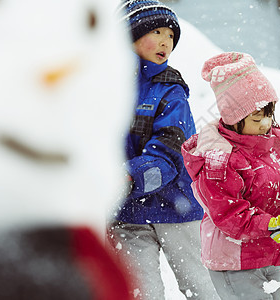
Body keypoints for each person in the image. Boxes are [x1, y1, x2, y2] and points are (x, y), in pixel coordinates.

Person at [181, 52, 280, 300]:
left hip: (270, 249)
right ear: (233, 118)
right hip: (234, 259)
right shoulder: (219, 157)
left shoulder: (276, 141)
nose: (265, 123)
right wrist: (273, 225)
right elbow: (229, 214)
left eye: (269, 114)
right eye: (257, 118)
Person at [108, 1, 219, 299]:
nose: (165, 42)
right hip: (127, 214)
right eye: (156, 32)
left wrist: (129, 177)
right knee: (139, 291)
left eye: (170, 36)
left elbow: (171, 150)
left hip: (176, 207)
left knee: (201, 287)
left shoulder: (170, 90)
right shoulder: (106, 89)